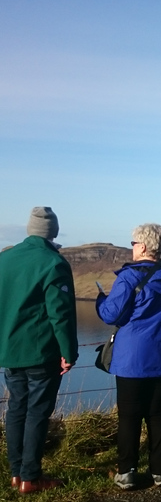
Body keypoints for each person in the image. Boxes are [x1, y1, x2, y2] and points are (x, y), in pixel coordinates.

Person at [96, 223, 161, 490]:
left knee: (129, 416)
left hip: (132, 360)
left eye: (133, 243)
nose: (131, 247)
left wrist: (100, 300)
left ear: (142, 246)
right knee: (159, 414)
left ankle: (127, 472)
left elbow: (110, 314)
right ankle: (160, 472)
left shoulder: (129, 278)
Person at [0, 207, 78, 494]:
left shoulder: (4, 258)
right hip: (41, 352)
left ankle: (16, 473)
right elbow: (61, 314)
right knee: (37, 413)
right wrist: (69, 351)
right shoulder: (53, 263)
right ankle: (31, 478)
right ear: (53, 232)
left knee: (16, 408)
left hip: (9, 350)